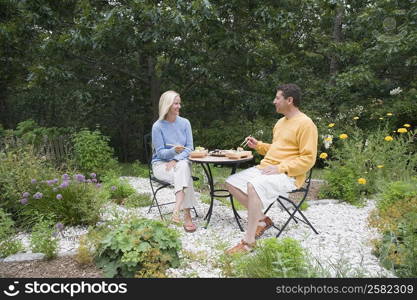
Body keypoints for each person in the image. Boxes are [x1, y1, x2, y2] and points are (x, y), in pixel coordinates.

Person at [225, 83, 318, 254]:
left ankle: (248, 242)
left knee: (254, 186)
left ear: (289, 100)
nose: (274, 101)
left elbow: (308, 159)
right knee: (231, 182)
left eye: (277, 98)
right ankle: (261, 219)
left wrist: (280, 168)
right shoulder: (280, 123)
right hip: (268, 168)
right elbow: (278, 149)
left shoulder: (306, 124)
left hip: (289, 174)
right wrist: (259, 145)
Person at [151, 90, 197, 232]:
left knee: (183, 167)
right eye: (176, 103)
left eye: (179, 103)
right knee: (185, 176)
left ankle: (177, 210)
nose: (179, 106)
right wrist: (174, 151)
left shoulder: (185, 123)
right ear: (167, 105)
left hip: (179, 163)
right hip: (162, 165)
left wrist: (176, 159)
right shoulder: (157, 126)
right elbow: (160, 153)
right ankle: (187, 215)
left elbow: (190, 148)